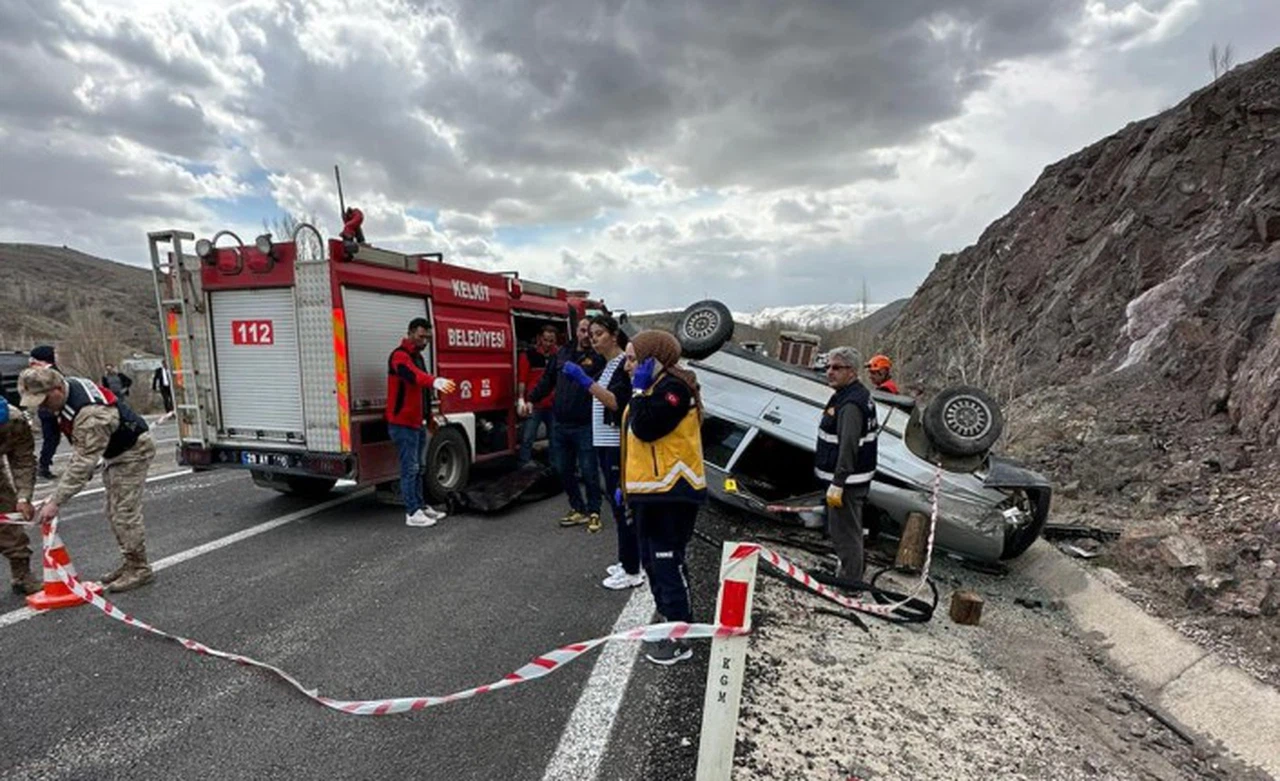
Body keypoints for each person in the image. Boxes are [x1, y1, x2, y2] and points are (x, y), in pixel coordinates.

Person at [20, 365, 158, 593]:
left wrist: (55, 502)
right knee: (113, 510)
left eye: (44, 401)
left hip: (131, 452)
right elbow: (81, 454)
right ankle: (130, 561)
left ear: (56, 390)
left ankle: (139, 568)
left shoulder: (90, 415)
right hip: (114, 451)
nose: (42, 407)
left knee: (124, 512)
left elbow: (83, 464)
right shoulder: (67, 388)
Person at [620, 330, 706, 666]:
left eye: (632, 359)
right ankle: (668, 620)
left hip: (671, 492)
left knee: (667, 562)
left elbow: (645, 428)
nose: (628, 366)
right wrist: (625, 485)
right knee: (652, 561)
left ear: (653, 359)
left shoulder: (674, 389)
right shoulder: (655, 387)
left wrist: (639, 391)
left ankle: (681, 636)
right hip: (650, 492)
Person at [564, 316, 643, 590]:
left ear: (613, 335)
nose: (593, 338)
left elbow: (616, 403)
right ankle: (626, 560)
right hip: (604, 443)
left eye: (599, 334)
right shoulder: (609, 365)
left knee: (622, 509)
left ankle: (633, 569)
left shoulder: (623, 364)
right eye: (591, 334)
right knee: (617, 504)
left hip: (615, 444)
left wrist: (584, 381)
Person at [528, 318, 604, 528]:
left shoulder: (599, 358)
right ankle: (577, 508)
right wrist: (530, 399)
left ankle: (594, 511)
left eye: (591, 331)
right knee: (563, 469)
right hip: (560, 424)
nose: (587, 335)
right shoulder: (561, 354)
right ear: (576, 332)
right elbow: (547, 380)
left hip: (585, 424)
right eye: (582, 330)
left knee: (589, 471)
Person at [815, 346, 880, 582]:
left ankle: (850, 580)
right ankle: (849, 569)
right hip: (852, 479)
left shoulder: (851, 404)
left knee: (845, 531)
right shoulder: (852, 395)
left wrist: (838, 482)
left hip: (848, 482)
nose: (829, 372)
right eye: (828, 367)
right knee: (848, 528)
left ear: (851, 372)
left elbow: (848, 446)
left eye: (836, 368)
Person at [387, 318, 457, 527]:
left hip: (416, 423)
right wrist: (434, 380)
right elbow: (412, 376)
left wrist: (429, 417)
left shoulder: (418, 357)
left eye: (428, 337)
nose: (425, 341)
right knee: (410, 468)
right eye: (421, 336)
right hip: (402, 423)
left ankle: (420, 505)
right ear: (410, 333)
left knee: (420, 467)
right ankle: (412, 512)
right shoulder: (399, 356)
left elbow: (422, 391)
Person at [0, 400, 41, 595]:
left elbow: (23, 460)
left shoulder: (13, 421)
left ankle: (21, 574)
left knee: (8, 518)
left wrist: (24, 497)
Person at [516, 324, 559, 465]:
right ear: (540, 338)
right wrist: (521, 399)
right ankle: (524, 463)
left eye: (551, 341)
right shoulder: (528, 355)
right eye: (546, 340)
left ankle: (555, 465)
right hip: (533, 404)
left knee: (555, 438)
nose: (548, 344)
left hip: (552, 404)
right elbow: (522, 379)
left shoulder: (558, 355)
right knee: (528, 437)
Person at [28, 345, 62, 480]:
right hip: (53, 411)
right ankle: (43, 465)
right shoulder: (49, 372)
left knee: (51, 439)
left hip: (46, 410)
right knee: (52, 439)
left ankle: (44, 464)